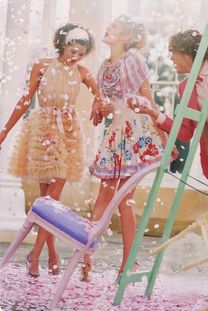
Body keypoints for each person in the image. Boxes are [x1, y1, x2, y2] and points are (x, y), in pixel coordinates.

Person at [0, 23, 102, 277]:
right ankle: (49, 253)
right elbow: (25, 99)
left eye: (81, 50)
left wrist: (99, 105)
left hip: (68, 134)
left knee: (52, 199)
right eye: (72, 48)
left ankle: (36, 254)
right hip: (43, 132)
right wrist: (4, 131)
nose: (75, 54)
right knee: (46, 201)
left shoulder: (82, 72)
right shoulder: (42, 65)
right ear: (63, 43)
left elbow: (104, 96)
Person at [82, 15, 175, 282]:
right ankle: (85, 259)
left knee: (125, 200)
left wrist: (165, 136)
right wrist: (99, 108)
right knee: (102, 198)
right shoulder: (104, 66)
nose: (108, 28)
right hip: (116, 136)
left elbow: (147, 99)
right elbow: (104, 101)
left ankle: (127, 264)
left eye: (115, 27)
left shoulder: (133, 60)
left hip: (136, 134)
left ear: (127, 37)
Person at [128, 29, 208, 216]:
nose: (171, 58)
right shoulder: (185, 87)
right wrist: (153, 113)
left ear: (187, 52)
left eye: (173, 52)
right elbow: (185, 131)